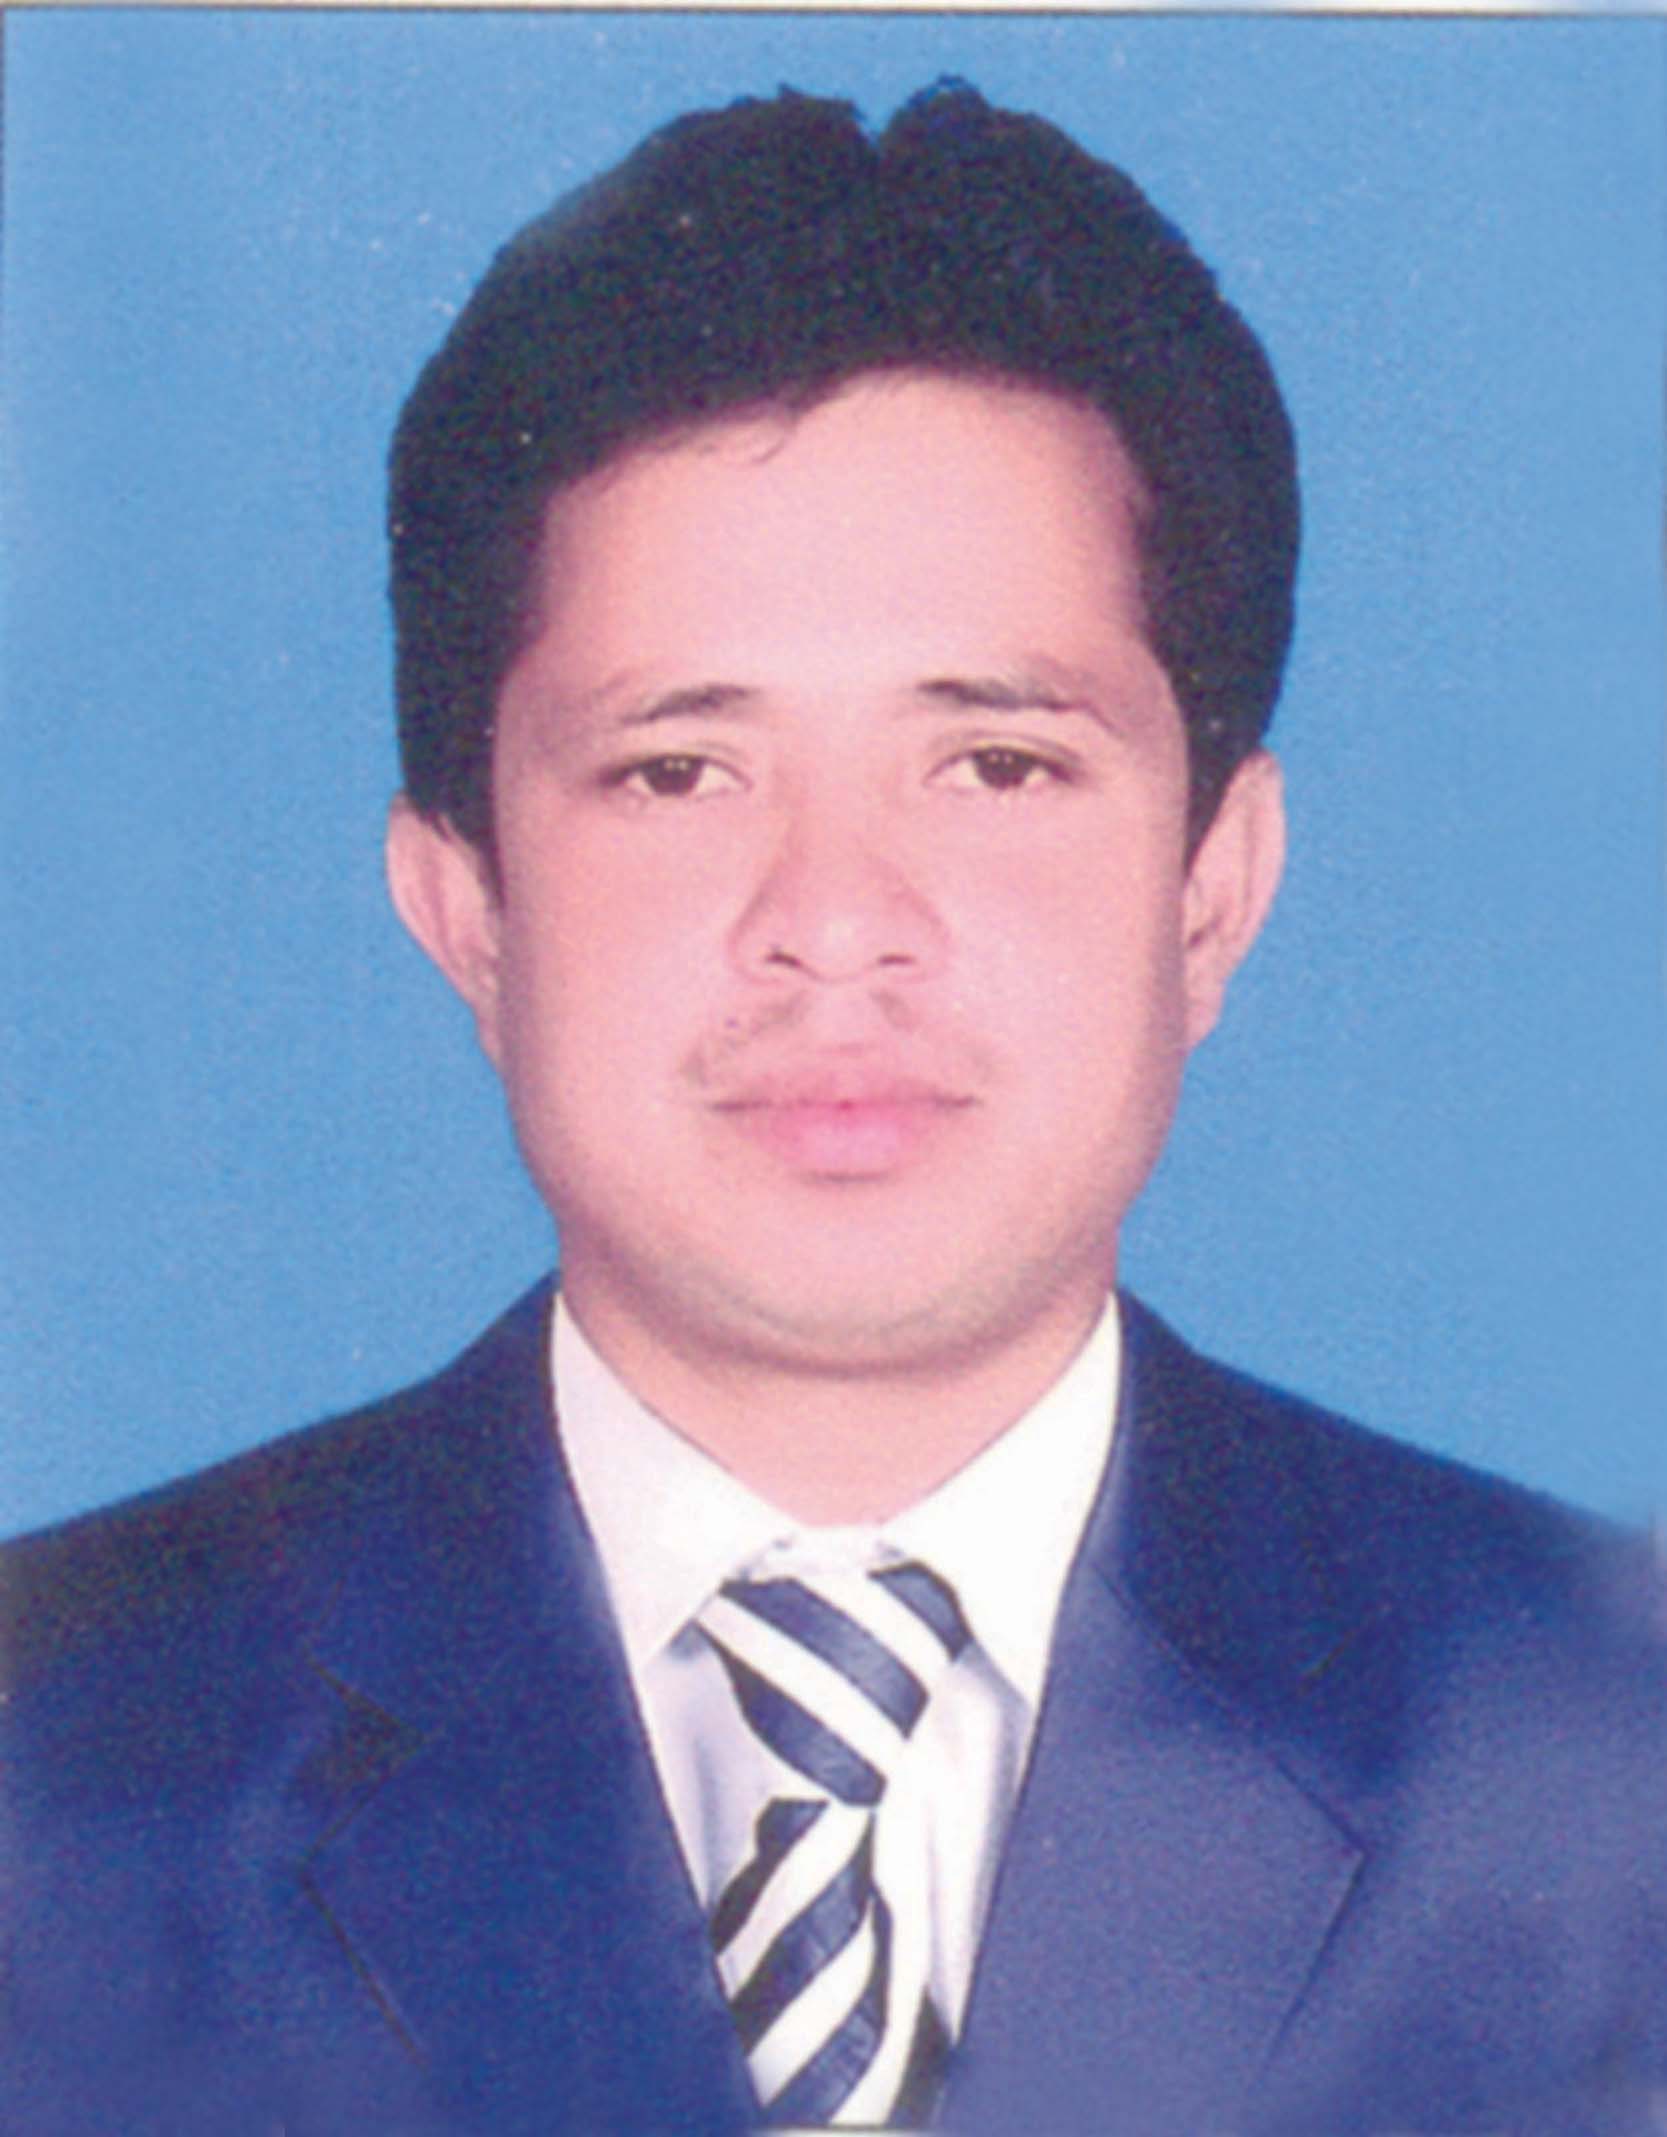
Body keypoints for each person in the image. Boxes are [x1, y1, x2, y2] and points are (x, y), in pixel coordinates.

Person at [4, 82, 1663, 2136]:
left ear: (1215, 889)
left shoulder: (1617, 1756)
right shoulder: (49, 1760)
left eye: (998, 765)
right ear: (464, 908)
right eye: (677, 771)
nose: (837, 922)